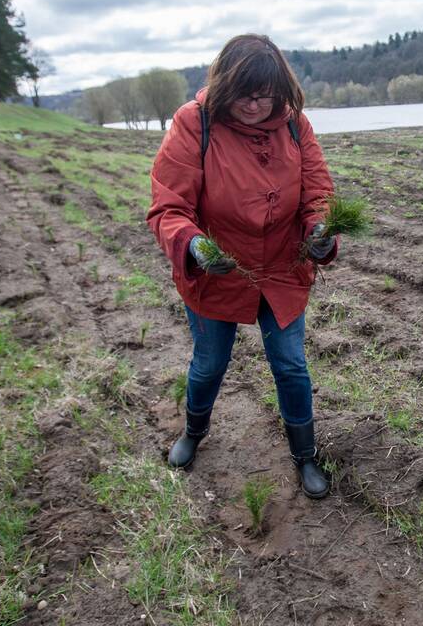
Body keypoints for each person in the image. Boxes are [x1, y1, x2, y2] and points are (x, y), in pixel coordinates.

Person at [147, 34, 338, 498]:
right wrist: (194, 246)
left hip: (281, 270)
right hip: (220, 269)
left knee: (291, 365)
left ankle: (305, 454)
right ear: (226, 85)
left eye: (264, 95)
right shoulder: (195, 124)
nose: (255, 106)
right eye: (244, 96)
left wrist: (319, 230)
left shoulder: (295, 125)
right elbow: (168, 207)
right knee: (210, 363)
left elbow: (317, 192)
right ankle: (194, 432)